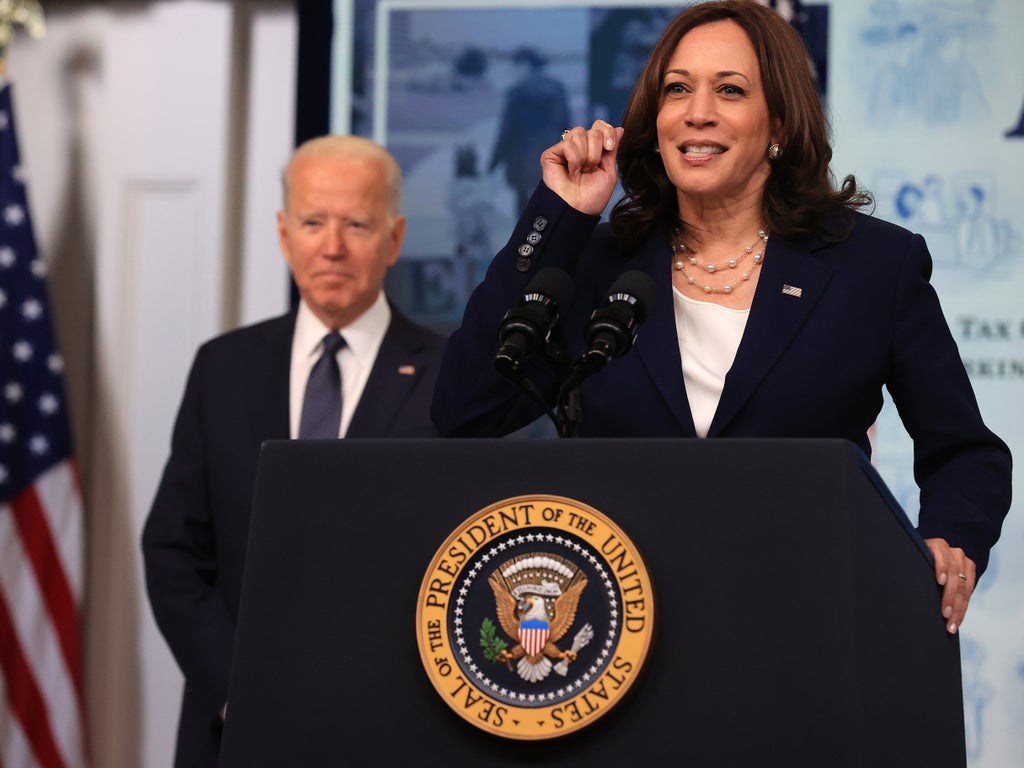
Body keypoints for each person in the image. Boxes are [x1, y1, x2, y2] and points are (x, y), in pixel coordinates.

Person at [431, 1, 1011, 638]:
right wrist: (561, 215)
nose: (697, 112)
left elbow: (965, 452)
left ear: (779, 122)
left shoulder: (873, 266)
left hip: (811, 623)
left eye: (729, 90)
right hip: (620, 635)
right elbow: (466, 409)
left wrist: (952, 540)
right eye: (677, 89)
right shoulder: (597, 265)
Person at [142, 135, 445, 767]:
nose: (332, 247)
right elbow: (173, 550)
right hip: (232, 730)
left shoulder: (449, 379)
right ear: (284, 234)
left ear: (393, 239)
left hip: (393, 728)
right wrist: (240, 691)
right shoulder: (223, 368)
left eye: (356, 224)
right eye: (312, 223)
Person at [488, 46, 571, 215]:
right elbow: (566, 126)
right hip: (551, 152)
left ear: (525, 64)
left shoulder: (516, 92)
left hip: (522, 155)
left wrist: (494, 162)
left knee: (523, 206)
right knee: (550, 202)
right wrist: (569, 152)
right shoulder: (557, 89)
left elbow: (507, 131)